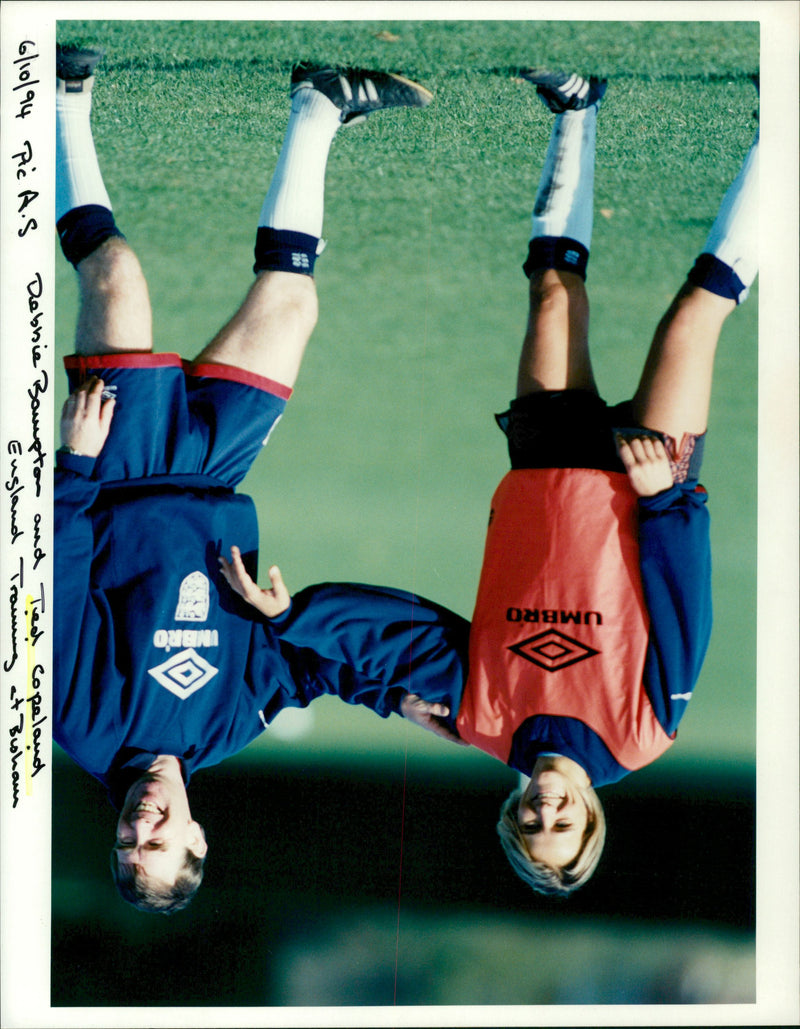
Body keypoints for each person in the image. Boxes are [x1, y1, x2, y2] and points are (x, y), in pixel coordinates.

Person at [218, 69, 759, 896]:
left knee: (550, 295)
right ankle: (776, 137)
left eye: (530, 825)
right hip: (645, 483)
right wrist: (669, 501)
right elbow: (689, 611)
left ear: (511, 815)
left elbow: (405, 637)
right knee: (697, 310)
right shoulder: (643, 734)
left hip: (541, 481)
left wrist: (298, 613)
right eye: (564, 823)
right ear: (591, 814)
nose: (546, 811)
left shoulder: (485, 722)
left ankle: (576, 107)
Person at [53, 43, 437, 914]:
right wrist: (394, 698)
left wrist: (75, 462)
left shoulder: (82, 727)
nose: (140, 825)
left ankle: (62, 97)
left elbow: (60, 585)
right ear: (196, 837)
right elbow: (309, 668)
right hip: (216, 478)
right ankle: (319, 106)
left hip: (121, 471)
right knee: (292, 304)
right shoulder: (232, 728)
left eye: (126, 839)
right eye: (159, 842)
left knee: (114, 275)